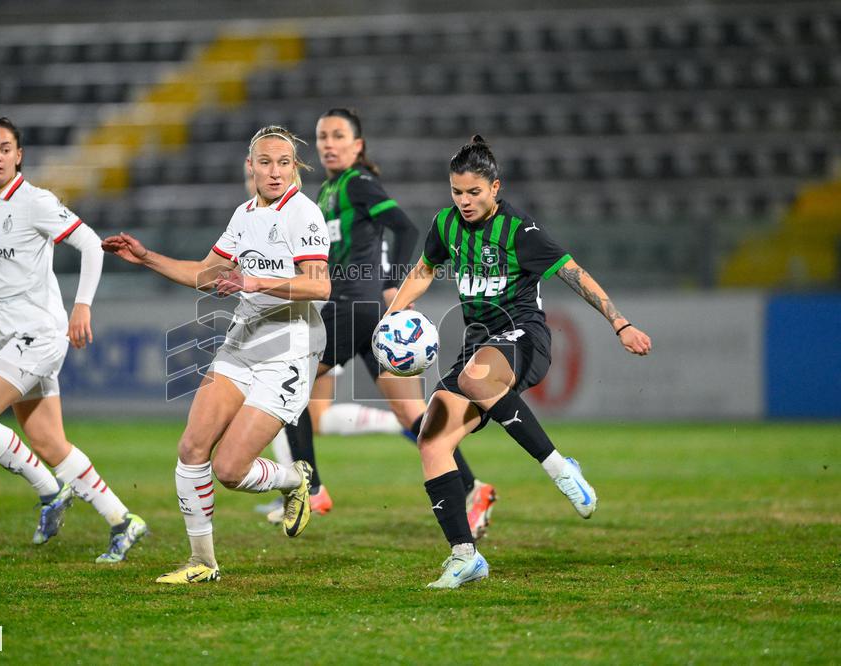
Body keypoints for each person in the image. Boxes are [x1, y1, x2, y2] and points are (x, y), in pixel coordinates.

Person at [385, 136, 652, 589]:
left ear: (495, 187)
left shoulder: (519, 230)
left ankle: (561, 469)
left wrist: (619, 321)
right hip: (478, 346)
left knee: (475, 377)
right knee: (431, 440)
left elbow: (574, 274)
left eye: (474, 192)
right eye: (456, 192)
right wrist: (392, 316)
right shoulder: (445, 226)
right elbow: (424, 271)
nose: (464, 201)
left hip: (524, 336)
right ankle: (464, 556)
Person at [102, 125, 331, 585]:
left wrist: (254, 281)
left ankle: (294, 480)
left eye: (284, 162)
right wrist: (147, 257)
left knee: (230, 469)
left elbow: (319, 284)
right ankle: (202, 562)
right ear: (250, 166)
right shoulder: (244, 214)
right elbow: (207, 275)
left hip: (288, 348)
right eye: (264, 162)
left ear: (295, 168)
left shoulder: (303, 213)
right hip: (244, 339)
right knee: (191, 447)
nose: (274, 171)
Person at [0, 117, 147, 563]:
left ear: (18, 155)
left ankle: (49, 493)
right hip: (12, 339)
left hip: (40, 335)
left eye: (6, 148)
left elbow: (88, 243)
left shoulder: (36, 202)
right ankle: (123, 521)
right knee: (47, 441)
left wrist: (82, 305)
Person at [273, 109, 497, 537]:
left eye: (338, 135)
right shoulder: (329, 189)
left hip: (352, 309)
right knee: (411, 412)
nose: (328, 143)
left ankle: (311, 487)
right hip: (367, 315)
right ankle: (474, 487)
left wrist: (393, 284)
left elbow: (404, 228)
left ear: (357, 146)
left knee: (290, 388)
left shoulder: (356, 183)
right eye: (322, 136)